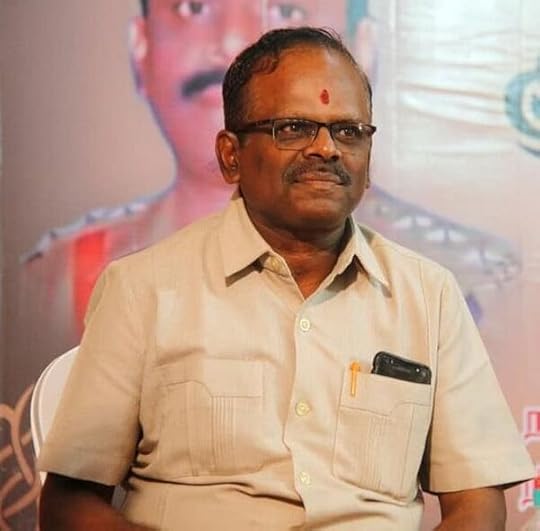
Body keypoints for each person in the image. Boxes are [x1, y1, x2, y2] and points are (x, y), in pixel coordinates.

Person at [38, 27, 534, 530]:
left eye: (349, 131)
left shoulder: (429, 296)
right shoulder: (142, 289)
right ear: (231, 155)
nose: (327, 149)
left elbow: (477, 502)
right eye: (294, 128)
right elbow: (69, 504)